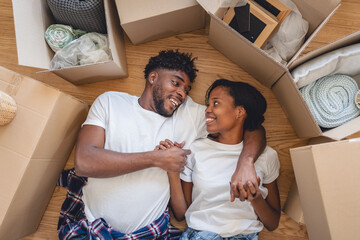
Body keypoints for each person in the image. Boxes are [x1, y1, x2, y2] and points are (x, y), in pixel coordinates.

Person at [57, 50, 266, 239]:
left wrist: (246, 163)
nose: (182, 94)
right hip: (93, 227)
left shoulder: (191, 116)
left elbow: (252, 126)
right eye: (175, 83)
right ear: (153, 77)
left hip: (149, 233)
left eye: (186, 89)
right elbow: (84, 162)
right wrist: (157, 159)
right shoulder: (111, 102)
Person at [158, 79, 281, 240]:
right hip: (200, 235)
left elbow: (272, 223)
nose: (207, 110)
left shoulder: (267, 156)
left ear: (239, 112)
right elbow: (181, 214)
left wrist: (255, 197)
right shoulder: (195, 149)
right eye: (208, 104)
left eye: (215, 103)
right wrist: (172, 170)